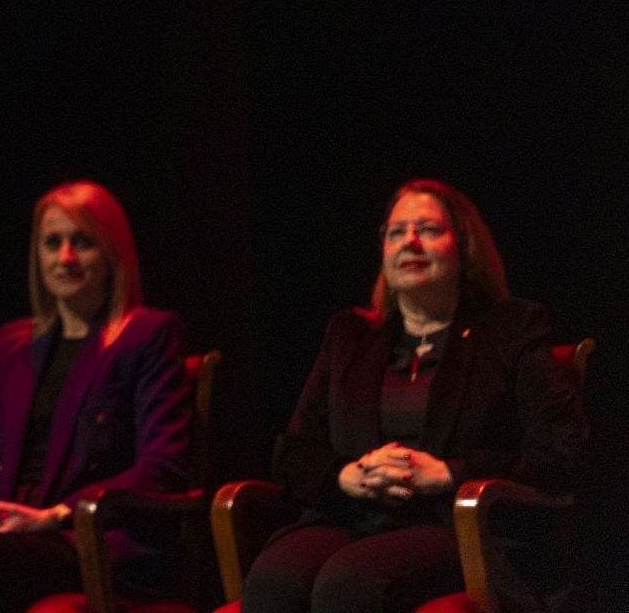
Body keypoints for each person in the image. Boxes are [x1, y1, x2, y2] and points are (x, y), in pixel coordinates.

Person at [241, 179, 587, 613]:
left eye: (428, 229)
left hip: (454, 523)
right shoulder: (349, 336)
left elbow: (561, 447)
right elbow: (293, 451)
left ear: (464, 247)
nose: (410, 242)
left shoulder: (510, 329)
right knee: (273, 580)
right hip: (356, 515)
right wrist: (347, 475)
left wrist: (450, 473)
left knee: (349, 584)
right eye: (396, 232)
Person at [0, 182, 190, 612]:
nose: (66, 258)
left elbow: (162, 465)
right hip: (11, 534)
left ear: (113, 252)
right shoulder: (12, 346)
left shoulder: (146, 336)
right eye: (52, 243)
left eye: (83, 242)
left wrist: (58, 514)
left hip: (91, 540)